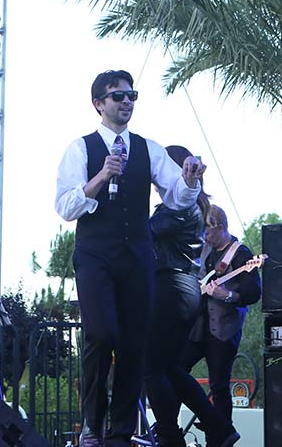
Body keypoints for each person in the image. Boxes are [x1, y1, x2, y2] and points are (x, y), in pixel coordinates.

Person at [55, 70, 206, 447]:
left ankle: (121, 432)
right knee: (101, 333)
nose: (126, 101)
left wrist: (189, 180)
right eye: (117, 96)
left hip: (137, 257)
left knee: (134, 344)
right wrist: (101, 176)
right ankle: (92, 423)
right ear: (98, 104)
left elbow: (177, 196)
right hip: (95, 255)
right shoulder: (81, 148)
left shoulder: (147, 148)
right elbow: (66, 207)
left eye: (131, 95)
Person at [143, 146, 239, 447]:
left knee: (151, 368)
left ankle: (171, 437)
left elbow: (143, 232)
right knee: (169, 367)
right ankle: (218, 427)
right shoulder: (193, 206)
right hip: (183, 290)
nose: (156, 182)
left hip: (170, 287)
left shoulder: (179, 208)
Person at [182, 205, 260, 426]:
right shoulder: (204, 250)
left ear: (221, 227)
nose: (204, 236)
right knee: (176, 368)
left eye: (207, 231)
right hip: (198, 326)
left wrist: (227, 295)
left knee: (219, 384)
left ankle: (221, 432)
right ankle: (177, 423)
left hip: (224, 329)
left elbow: (254, 292)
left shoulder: (241, 254)